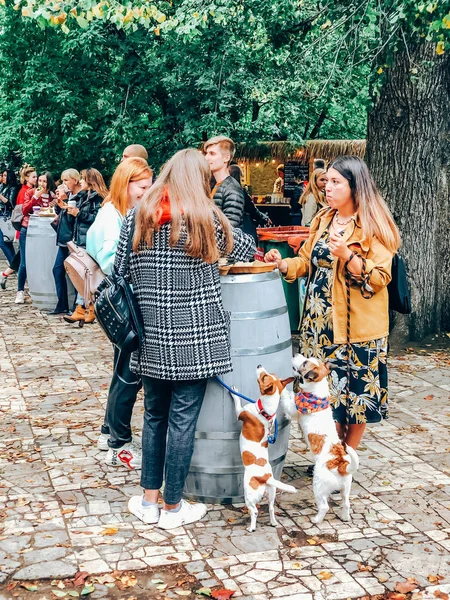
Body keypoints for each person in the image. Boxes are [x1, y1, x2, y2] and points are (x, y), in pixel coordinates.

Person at [121, 149, 255, 529]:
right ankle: (174, 507)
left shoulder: (137, 217)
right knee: (182, 422)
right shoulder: (206, 218)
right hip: (195, 339)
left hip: (150, 336)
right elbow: (245, 248)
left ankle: (149, 502)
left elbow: (119, 270)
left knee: (153, 417)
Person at [264, 155, 400, 456]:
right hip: (318, 325)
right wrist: (282, 263)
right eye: (326, 181)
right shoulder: (324, 218)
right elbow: (306, 261)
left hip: (356, 327)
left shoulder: (374, 224)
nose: (328, 186)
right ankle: (330, 454)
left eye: (336, 182)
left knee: (356, 398)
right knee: (326, 396)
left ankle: (344, 458)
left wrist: (348, 256)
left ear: (355, 186)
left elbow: (380, 277)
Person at [87, 157, 153, 468]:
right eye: (142, 187)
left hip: (122, 306)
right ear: (125, 184)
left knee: (123, 371)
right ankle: (119, 442)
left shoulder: (118, 212)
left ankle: (109, 431)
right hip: (123, 308)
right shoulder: (110, 218)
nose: (147, 192)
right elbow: (115, 263)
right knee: (128, 375)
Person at [63, 168, 107, 325]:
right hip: (80, 240)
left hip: (90, 241)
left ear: (90, 181)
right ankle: (84, 308)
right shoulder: (83, 196)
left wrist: (79, 214)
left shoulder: (99, 198)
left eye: (82, 178)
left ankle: (84, 308)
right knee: (83, 274)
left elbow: (98, 219)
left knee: (88, 275)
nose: (80, 181)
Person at [50, 170, 83, 315]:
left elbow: (73, 220)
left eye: (66, 180)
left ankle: (77, 307)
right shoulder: (69, 196)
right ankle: (62, 304)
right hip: (64, 240)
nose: (64, 183)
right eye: (62, 180)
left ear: (75, 180)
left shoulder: (80, 197)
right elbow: (61, 213)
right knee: (57, 271)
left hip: (72, 240)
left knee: (75, 274)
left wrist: (66, 205)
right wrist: (59, 202)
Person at [204, 136, 245, 227]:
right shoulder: (217, 185)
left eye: (212, 153)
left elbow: (230, 229)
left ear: (226, 158)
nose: (206, 157)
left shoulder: (232, 189)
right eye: (206, 153)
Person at [229, 163, 270, 243]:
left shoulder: (221, 189)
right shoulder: (240, 191)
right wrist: (264, 218)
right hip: (240, 227)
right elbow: (251, 209)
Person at [0, 169, 20, 269]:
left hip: (6, 216)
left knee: (3, 242)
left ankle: (13, 265)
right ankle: (14, 264)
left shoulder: (13, 188)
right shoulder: (4, 187)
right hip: (2, 215)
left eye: (4, 175)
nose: (2, 177)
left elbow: (11, 203)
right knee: (7, 242)